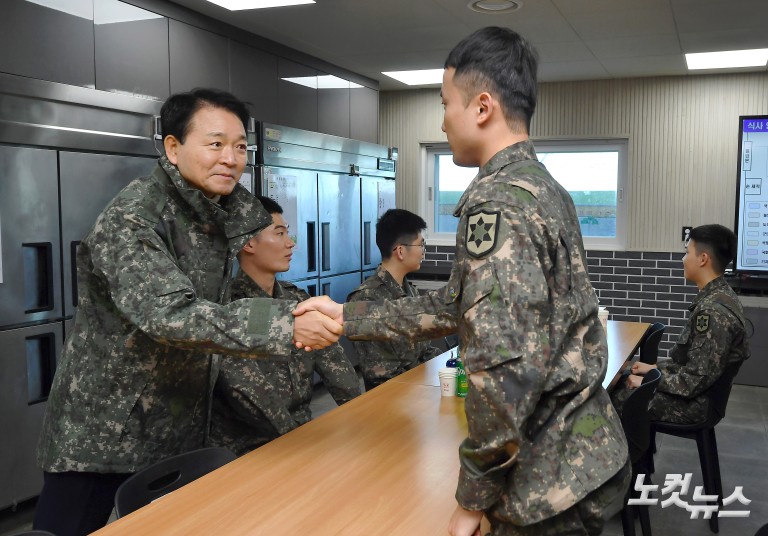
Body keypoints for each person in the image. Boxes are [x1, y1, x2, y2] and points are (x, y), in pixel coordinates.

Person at [296, 27, 630, 536]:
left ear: (481, 107)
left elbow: (505, 368)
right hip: (580, 454)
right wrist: (348, 316)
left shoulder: (495, 202)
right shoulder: (542, 186)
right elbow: (459, 306)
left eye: (445, 103)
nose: (443, 120)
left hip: (545, 479)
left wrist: (472, 497)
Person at [33, 88, 341, 536]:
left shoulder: (214, 212)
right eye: (215, 144)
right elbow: (172, 315)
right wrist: (285, 321)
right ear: (173, 148)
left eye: (240, 147)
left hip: (177, 426)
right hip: (103, 434)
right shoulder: (135, 217)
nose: (231, 158)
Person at [209, 196, 361, 455]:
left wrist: (361, 420)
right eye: (279, 234)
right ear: (248, 243)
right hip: (248, 453)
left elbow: (337, 368)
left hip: (303, 439)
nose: (290, 243)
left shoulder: (296, 300)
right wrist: (304, 448)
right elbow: (252, 396)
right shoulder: (230, 311)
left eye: (287, 233)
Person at [613, 224, 750, 423]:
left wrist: (648, 380)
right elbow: (691, 365)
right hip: (698, 396)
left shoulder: (712, 312)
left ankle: (631, 454)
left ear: (703, 259)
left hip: (696, 406)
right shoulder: (720, 296)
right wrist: (654, 369)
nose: (683, 259)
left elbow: (695, 380)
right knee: (623, 379)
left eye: (687, 252)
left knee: (612, 397)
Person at [346, 209, 443, 391]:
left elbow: (426, 351)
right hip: (393, 398)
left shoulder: (410, 291)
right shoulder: (366, 299)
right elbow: (381, 375)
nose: (423, 251)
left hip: (420, 391)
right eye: (421, 245)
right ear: (400, 251)